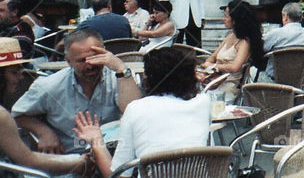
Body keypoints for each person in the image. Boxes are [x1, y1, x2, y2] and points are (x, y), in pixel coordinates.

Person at [73, 47, 212, 176]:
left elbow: (119, 174)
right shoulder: (204, 102)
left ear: (148, 79)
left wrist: (96, 141)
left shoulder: (135, 109)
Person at [12, 28, 141, 153]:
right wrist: (43, 132)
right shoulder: (49, 86)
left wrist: (121, 68)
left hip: (113, 154)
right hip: (71, 157)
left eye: (95, 58)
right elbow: (18, 115)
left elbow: (135, 112)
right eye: (82, 61)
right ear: (68, 61)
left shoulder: (119, 78)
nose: (90, 64)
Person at [199, 0, 265, 101]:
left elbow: (235, 67)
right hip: (214, 81)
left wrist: (214, 66)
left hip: (228, 86)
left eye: (226, 16)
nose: (223, 19)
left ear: (235, 20)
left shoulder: (244, 42)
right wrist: (208, 64)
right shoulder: (230, 36)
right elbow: (212, 57)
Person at [262, 2, 304, 80]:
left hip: (273, 82)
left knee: (252, 70)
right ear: (301, 17)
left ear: (285, 16)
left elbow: (260, 50)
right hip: (298, 81)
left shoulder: (275, 34)